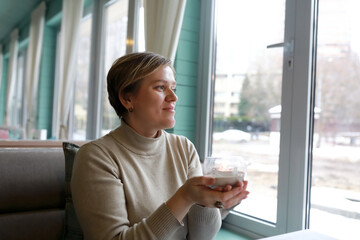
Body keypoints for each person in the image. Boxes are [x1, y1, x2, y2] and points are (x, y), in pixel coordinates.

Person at [71, 52, 249, 240]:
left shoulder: (184, 147)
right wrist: (185, 197)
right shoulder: (96, 157)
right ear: (127, 99)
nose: (173, 97)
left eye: (173, 88)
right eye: (160, 87)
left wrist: (206, 202)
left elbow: (201, 237)